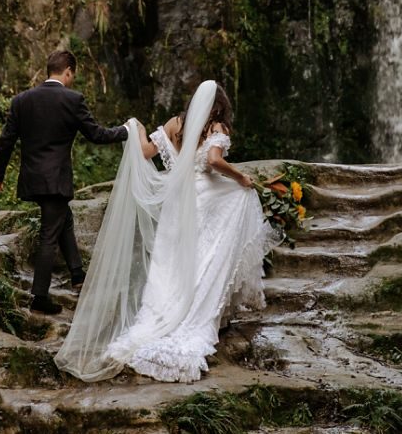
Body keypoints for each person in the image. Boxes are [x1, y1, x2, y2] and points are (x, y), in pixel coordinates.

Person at [55, 80, 275, 383]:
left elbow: (145, 152)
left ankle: (159, 313)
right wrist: (241, 178)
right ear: (221, 105)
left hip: (175, 202)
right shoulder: (217, 129)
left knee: (169, 261)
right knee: (206, 255)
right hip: (204, 200)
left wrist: (137, 129)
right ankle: (196, 311)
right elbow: (213, 161)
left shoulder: (175, 123)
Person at [0, 49, 128, 314]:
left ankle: (77, 275)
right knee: (48, 235)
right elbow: (96, 135)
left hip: (33, 178)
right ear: (68, 72)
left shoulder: (22, 100)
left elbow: (6, 140)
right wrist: (125, 131)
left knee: (64, 220)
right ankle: (39, 298)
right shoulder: (72, 99)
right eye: (72, 74)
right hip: (56, 179)